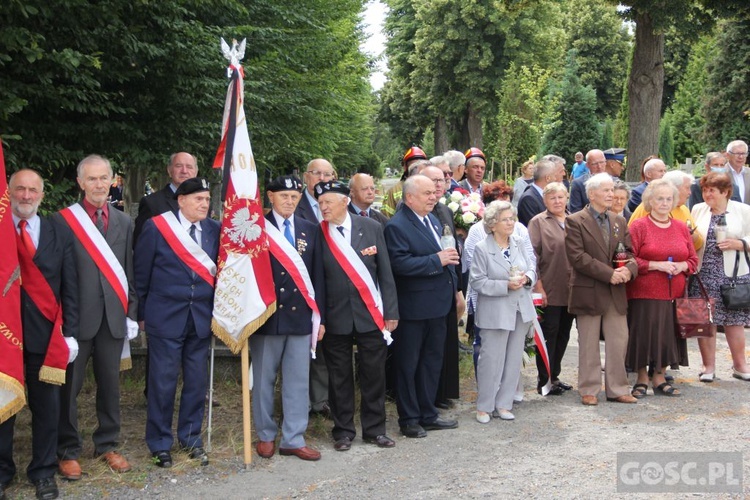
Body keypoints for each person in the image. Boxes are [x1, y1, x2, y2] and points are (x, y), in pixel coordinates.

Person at [55, 155, 138, 478]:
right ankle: (67, 449)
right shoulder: (62, 221)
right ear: (80, 183)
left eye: (104, 178)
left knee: (110, 385)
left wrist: (131, 312)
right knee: (69, 388)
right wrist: (61, 323)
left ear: (112, 180)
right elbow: (56, 276)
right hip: (76, 321)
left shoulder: (124, 222)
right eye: (92, 179)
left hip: (113, 319)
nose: (99, 185)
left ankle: (107, 444)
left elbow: (129, 271)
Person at [1, 170, 79, 500]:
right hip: (5, 339)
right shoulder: (1, 233)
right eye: (20, 189)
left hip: (46, 341)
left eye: (33, 190)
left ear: (42, 196)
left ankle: (44, 472)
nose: (26, 196)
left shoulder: (56, 232)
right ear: (9, 192)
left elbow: (70, 287)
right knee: (3, 411)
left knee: (47, 410)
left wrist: (70, 333)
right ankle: (2, 473)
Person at [134, 177, 219, 468]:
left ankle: (191, 438)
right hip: (165, 318)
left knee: (196, 383)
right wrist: (142, 315)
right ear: (181, 200)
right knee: (162, 384)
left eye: (207, 199)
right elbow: (141, 274)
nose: (204, 204)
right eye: (198, 199)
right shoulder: (157, 227)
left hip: (200, 318)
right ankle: (159, 443)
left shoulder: (214, 230)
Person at [316, 180, 399, 451]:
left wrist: (391, 311)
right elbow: (317, 280)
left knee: (373, 374)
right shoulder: (319, 233)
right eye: (320, 203)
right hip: (335, 316)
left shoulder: (372, 228)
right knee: (339, 376)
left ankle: (375, 430)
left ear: (345, 201)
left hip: (370, 315)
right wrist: (320, 320)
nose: (323, 207)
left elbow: (385, 273)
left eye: (328, 202)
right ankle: (343, 431)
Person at [251, 175, 324, 461]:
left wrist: (322, 317)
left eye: (294, 197)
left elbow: (317, 275)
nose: (290, 201)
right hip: (267, 317)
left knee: (297, 380)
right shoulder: (257, 229)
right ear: (270, 197)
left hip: (299, 316)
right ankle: (266, 434)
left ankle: (294, 438)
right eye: (284, 196)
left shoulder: (309, 229)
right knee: (264, 379)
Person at [385, 175, 459, 438]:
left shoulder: (433, 219)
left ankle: (428, 413)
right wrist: (435, 261)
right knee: (409, 365)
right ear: (409, 198)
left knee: (431, 362)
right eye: (427, 193)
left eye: (433, 192)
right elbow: (399, 264)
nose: (433, 196)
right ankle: (409, 419)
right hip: (413, 308)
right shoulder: (397, 226)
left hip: (438, 304)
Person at [565, 173, 639, 405]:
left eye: (612, 190)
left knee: (619, 341)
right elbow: (577, 257)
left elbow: (629, 253)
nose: (611, 194)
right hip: (589, 289)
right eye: (606, 190)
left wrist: (629, 269)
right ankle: (589, 389)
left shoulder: (619, 221)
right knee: (588, 342)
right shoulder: (575, 220)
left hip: (615, 293)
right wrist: (610, 274)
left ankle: (618, 388)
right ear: (591, 194)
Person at [626, 180, 698, 398]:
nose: (665, 203)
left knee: (667, 336)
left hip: (674, 294)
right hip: (644, 292)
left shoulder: (680, 227)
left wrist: (683, 266)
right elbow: (629, 258)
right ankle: (641, 379)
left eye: (669, 199)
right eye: (660, 198)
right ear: (650, 200)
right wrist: (656, 265)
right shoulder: (639, 226)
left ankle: (659, 377)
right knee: (643, 335)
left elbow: (693, 259)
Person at [470, 201, 537, 422]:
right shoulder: (482, 248)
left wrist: (527, 278)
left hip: (520, 308)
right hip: (495, 311)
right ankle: (484, 406)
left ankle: (504, 404)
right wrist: (505, 285)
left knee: (513, 358)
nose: (511, 223)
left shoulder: (518, 242)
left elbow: (531, 267)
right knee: (491, 359)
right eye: (505, 219)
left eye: (512, 219)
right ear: (492, 224)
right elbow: (478, 282)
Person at [689, 171, 750, 382]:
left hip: (733, 274)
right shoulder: (698, 209)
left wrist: (740, 244)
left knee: (735, 321)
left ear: (725, 192)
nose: (707, 194)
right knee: (704, 321)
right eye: (705, 190)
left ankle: (740, 365)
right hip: (703, 273)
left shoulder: (743, 210)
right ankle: (708, 367)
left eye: (712, 191)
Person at [294, 158, 335, 418]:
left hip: (333, 287)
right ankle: (299, 404)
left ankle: (321, 401)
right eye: (315, 173)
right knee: (302, 348)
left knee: (326, 345)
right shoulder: (293, 207)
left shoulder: (341, 205)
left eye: (326, 174)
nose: (321, 178)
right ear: (306, 178)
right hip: (302, 288)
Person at [422, 166, 464, 408]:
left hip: (448, 283)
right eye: (433, 180)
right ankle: (432, 395)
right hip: (428, 288)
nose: (439, 185)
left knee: (446, 342)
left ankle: (444, 392)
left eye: (442, 180)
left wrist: (458, 288)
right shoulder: (414, 212)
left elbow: (453, 252)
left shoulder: (445, 210)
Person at [528, 182, 575, 396]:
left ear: (567, 198)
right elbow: (532, 257)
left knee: (565, 333)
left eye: (561, 197)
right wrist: (538, 286)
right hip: (549, 286)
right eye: (552, 198)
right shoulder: (538, 222)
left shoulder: (575, 220)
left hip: (573, 289)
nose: (557, 201)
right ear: (545, 201)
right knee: (550, 333)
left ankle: (555, 375)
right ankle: (544, 380)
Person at [630, 171, 704, 251]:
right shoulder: (648, 207)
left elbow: (698, 244)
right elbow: (631, 241)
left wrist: (692, 236)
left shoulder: (684, 209)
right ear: (674, 188)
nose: (690, 192)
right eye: (687, 188)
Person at [134, 152, 198, 245]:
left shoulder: (202, 204)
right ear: (169, 170)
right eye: (179, 166)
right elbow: (140, 244)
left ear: (195, 172)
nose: (184, 171)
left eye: (189, 167)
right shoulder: (152, 203)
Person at [382, 147, 428, 216]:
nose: (418, 169)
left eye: (421, 165)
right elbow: (385, 219)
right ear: (405, 167)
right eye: (414, 166)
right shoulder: (393, 191)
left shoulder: (432, 187)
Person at [517, 159, 556, 227]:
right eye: (554, 176)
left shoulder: (542, 194)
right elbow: (537, 227)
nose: (555, 179)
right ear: (548, 178)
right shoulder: (528, 199)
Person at [568, 149, 607, 213]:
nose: (599, 166)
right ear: (587, 165)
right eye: (595, 164)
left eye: (602, 162)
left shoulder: (615, 182)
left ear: (606, 162)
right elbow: (575, 212)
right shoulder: (578, 184)